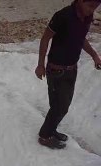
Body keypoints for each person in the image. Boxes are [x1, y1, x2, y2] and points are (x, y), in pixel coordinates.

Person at [35, 0, 101, 149]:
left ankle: (51, 130)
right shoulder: (63, 16)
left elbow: (81, 38)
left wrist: (94, 55)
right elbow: (45, 38)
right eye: (90, 6)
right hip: (56, 70)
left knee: (59, 105)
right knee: (60, 107)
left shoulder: (86, 17)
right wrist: (40, 64)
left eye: (95, 8)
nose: (92, 11)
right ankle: (45, 136)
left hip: (72, 69)